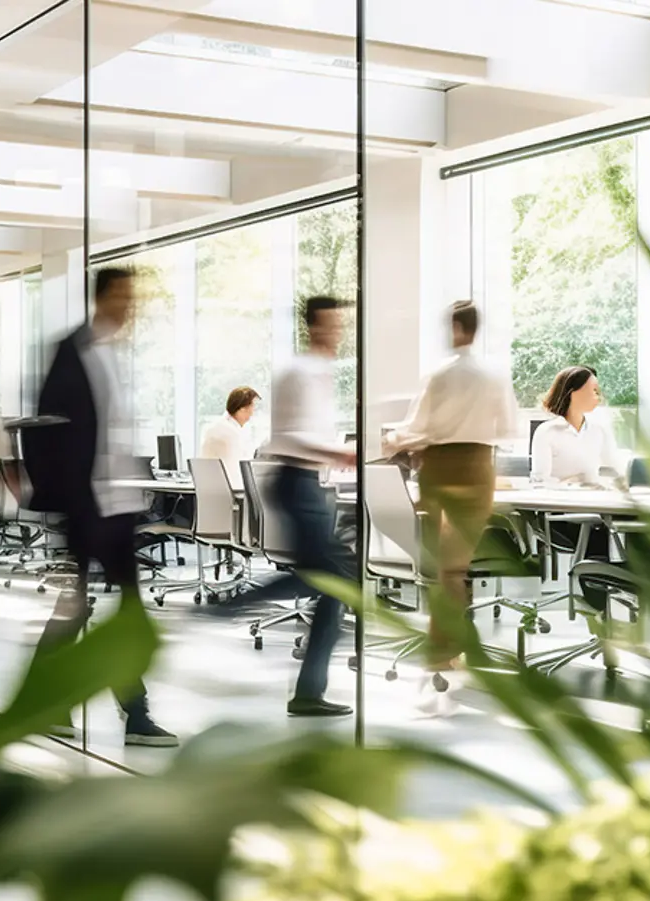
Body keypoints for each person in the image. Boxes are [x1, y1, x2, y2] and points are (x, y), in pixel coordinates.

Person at [23, 266, 178, 747]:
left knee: (97, 610)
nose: (130, 306)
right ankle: (127, 713)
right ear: (102, 298)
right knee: (82, 608)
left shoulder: (113, 354)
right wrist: (60, 495)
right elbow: (44, 427)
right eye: (123, 297)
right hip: (88, 502)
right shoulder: (73, 352)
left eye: (133, 298)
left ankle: (92, 708)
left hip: (118, 500)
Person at [206, 297, 359, 718]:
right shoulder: (299, 371)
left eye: (340, 325)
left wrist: (334, 455)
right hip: (295, 482)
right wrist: (340, 453)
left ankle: (309, 692)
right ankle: (232, 609)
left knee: (330, 583)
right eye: (330, 324)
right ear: (312, 326)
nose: (337, 332)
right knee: (331, 581)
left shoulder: (321, 373)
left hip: (308, 482)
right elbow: (287, 437)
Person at [386, 301, 520, 691]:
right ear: (476, 329)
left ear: (456, 328)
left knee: (442, 567)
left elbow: (417, 427)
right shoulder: (494, 375)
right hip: (478, 467)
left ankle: (445, 648)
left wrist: (396, 441)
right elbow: (509, 427)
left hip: (439, 467)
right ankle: (450, 648)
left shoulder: (438, 374)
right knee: (455, 566)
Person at [530, 365, 620, 609]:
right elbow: (540, 481)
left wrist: (609, 485)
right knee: (597, 529)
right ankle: (598, 611)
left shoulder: (598, 431)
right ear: (572, 392)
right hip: (561, 516)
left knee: (634, 530)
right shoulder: (547, 432)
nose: (597, 397)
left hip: (596, 507)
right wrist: (573, 488)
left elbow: (615, 469)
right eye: (592, 390)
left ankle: (630, 596)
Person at [200, 386, 260, 488]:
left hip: (209, 497)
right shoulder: (233, 434)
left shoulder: (210, 429)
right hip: (233, 496)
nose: (252, 413)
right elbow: (243, 472)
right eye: (252, 407)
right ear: (242, 409)